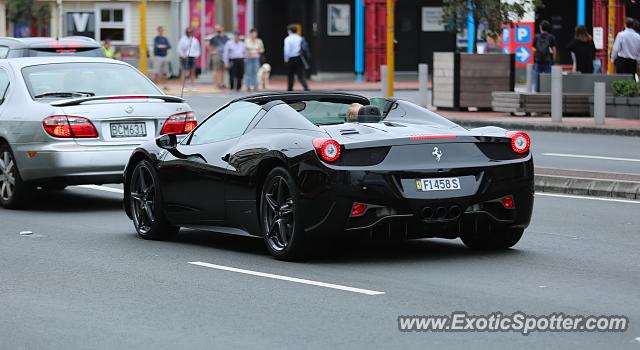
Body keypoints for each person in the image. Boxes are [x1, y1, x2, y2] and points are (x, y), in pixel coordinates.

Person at [532, 20, 557, 91]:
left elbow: (533, 50)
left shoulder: (536, 37)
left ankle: (537, 92)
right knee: (549, 78)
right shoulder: (551, 37)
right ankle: (548, 91)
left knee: (537, 78)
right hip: (547, 61)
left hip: (538, 61)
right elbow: (554, 50)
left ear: (540, 27)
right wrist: (553, 60)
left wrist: (535, 58)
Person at [284, 25, 310, 91]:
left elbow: (286, 51)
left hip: (291, 58)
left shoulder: (287, 39)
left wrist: (286, 59)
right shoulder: (300, 38)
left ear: (290, 31)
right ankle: (306, 88)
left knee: (290, 75)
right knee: (301, 75)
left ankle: (290, 89)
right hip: (299, 58)